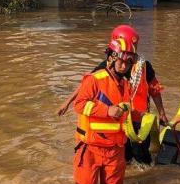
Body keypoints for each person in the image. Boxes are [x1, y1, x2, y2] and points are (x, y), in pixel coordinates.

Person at [58, 25, 168, 165]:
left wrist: (162, 113)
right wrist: (67, 102)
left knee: (141, 156)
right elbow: (87, 84)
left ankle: (145, 181)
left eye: (129, 60)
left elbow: (154, 90)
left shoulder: (143, 66)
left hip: (139, 118)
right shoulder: (107, 65)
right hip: (121, 118)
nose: (124, 65)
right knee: (125, 155)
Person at [71, 36, 137, 184]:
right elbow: (79, 104)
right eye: (122, 61)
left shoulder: (126, 85)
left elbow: (127, 112)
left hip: (115, 150)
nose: (124, 66)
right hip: (90, 148)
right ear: (110, 58)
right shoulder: (94, 80)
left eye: (128, 62)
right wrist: (107, 111)